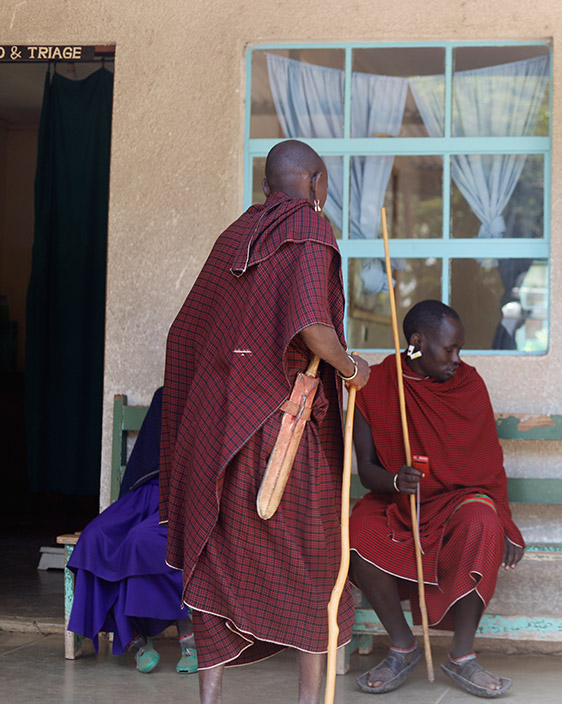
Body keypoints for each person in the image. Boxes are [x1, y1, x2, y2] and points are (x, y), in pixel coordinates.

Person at [159, 140, 370, 704]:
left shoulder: (235, 235)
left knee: (219, 557)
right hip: (281, 429)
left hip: (216, 431)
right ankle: (308, 699)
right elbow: (311, 328)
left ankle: (210, 696)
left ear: (268, 186)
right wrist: (352, 368)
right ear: (317, 183)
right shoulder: (309, 227)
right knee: (314, 559)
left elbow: (186, 333)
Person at [349, 300, 524, 698]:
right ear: (417, 342)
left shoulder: (469, 383)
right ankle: (402, 646)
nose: (456, 359)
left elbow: (488, 464)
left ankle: (462, 656)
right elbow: (367, 469)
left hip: (457, 500)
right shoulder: (376, 385)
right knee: (359, 531)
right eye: (449, 350)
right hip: (399, 501)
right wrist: (395, 480)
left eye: (460, 349)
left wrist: (507, 522)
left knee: (485, 523)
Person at [68, 387, 196, 675]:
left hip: (183, 499)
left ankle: (189, 638)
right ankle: (134, 640)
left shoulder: (218, 398)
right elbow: (145, 459)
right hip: (145, 494)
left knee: (142, 541)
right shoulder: (166, 394)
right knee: (94, 538)